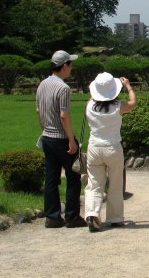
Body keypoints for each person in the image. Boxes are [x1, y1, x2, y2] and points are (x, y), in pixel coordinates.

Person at [36, 49, 86, 228]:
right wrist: (71, 140)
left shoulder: (42, 84)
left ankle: (52, 215)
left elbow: (38, 111)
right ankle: (72, 216)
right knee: (73, 175)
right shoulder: (63, 88)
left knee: (51, 177)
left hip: (47, 136)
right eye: (70, 65)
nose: (71, 68)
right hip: (61, 138)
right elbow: (64, 115)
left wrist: (44, 130)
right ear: (65, 66)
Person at [83, 72, 137, 232]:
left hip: (94, 147)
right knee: (115, 183)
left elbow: (92, 97)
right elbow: (133, 102)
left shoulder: (89, 106)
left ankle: (92, 212)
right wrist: (128, 86)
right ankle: (115, 217)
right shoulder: (118, 107)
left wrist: (97, 88)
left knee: (94, 183)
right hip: (112, 147)